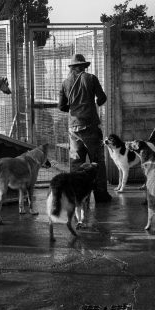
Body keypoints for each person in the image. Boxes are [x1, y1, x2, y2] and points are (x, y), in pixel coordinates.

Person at [58, 53, 112, 203]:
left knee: (76, 162)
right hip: (90, 126)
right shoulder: (91, 78)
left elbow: (61, 106)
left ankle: (77, 195)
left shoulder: (65, 82)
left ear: (72, 68)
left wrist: (73, 108)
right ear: (83, 66)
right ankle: (101, 195)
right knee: (97, 161)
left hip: (73, 127)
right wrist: (94, 104)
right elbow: (102, 98)